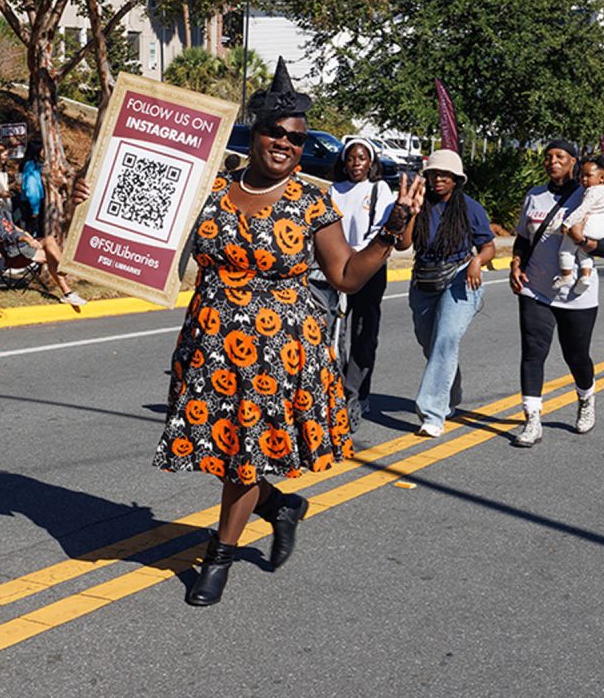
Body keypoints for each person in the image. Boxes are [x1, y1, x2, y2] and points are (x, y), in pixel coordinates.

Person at [76, 59, 424, 606]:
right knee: (224, 448)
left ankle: (219, 555)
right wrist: (94, 204)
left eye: (297, 138)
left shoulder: (312, 202)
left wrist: (389, 232)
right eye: (276, 133)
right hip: (209, 341)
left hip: (278, 349)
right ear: (255, 133)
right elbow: (141, 228)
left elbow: (345, 276)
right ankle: (280, 507)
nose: (286, 143)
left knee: (242, 455)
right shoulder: (208, 189)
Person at [509, 140, 604, 448]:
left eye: (560, 157)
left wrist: (583, 241)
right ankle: (532, 420)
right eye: (549, 157)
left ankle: (586, 397)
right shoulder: (534, 196)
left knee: (576, 355)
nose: (552, 161)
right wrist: (516, 264)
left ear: (573, 163)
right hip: (536, 288)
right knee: (533, 351)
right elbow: (522, 238)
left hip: (577, 295)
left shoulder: (592, 194)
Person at [397, 148, 495, 437]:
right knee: (432, 344)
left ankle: (431, 413)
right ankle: (451, 391)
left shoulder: (469, 208)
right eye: (433, 174)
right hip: (424, 279)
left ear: (456, 179)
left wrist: (477, 261)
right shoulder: (420, 203)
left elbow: (488, 246)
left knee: (446, 338)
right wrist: (410, 214)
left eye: (445, 175)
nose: (438, 179)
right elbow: (403, 246)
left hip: (459, 278)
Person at [327, 137, 396, 422]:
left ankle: (357, 394)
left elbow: (381, 230)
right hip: (336, 267)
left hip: (369, 268)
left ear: (371, 162)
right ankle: (335, 389)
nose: (356, 164)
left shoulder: (379, 190)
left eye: (362, 158)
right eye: (351, 158)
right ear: (344, 162)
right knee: (333, 332)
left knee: (363, 335)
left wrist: (360, 257)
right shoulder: (333, 189)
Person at [0, 191, 88, 307]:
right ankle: (67, 289)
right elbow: (4, 236)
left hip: (22, 245)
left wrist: (28, 235)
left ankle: (64, 271)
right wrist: (26, 239)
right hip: (12, 251)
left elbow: (13, 227)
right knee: (49, 255)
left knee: (49, 240)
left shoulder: (2, 213)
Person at [552, 157, 604, 301]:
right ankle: (585, 276)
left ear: (601, 178)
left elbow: (583, 209)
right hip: (600, 227)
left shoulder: (591, 192)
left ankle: (566, 275)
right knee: (584, 253)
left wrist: (567, 223)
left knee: (566, 250)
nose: (584, 179)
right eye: (582, 175)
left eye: (588, 176)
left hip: (587, 224)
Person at [20, 141, 46, 236]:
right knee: (33, 231)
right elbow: (31, 189)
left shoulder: (37, 165)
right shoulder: (31, 167)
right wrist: (35, 209)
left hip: (35, 204)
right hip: (31, 205)